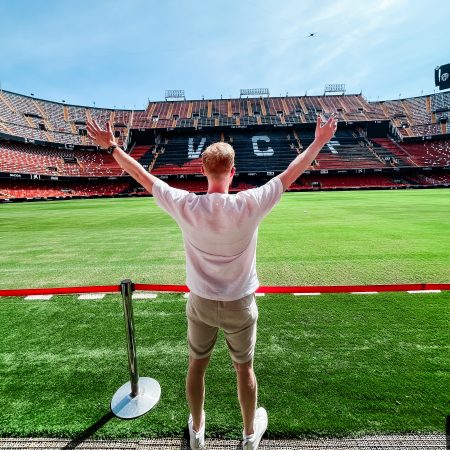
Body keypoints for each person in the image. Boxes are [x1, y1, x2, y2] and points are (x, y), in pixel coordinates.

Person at [87, 114, 337, 450]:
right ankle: (249, 436)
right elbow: (291, 172)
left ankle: (198, 432)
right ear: (233, 172)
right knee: (244, 370)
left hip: (201, 304)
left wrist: (114, 147)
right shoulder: (251, 203)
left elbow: (142, 176)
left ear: (202, 171)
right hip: (241, 305)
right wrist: (320, 140)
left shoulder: (186, 205)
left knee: (196, 367)